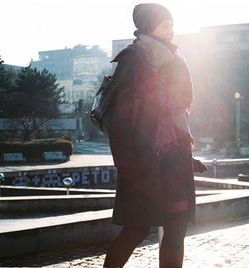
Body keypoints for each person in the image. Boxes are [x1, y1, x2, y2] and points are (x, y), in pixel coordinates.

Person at [103, 3, 206, 268]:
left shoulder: (176, 60)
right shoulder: (134, 58)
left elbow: (179, 112)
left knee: (176, 230)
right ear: (147, 27)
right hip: (143, 162)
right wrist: (126, 163)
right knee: (136, 230)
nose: (171, 30)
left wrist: (186, 154)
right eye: (165, 25)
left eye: (172, 24)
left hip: (175, 163)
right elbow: (121, 118)